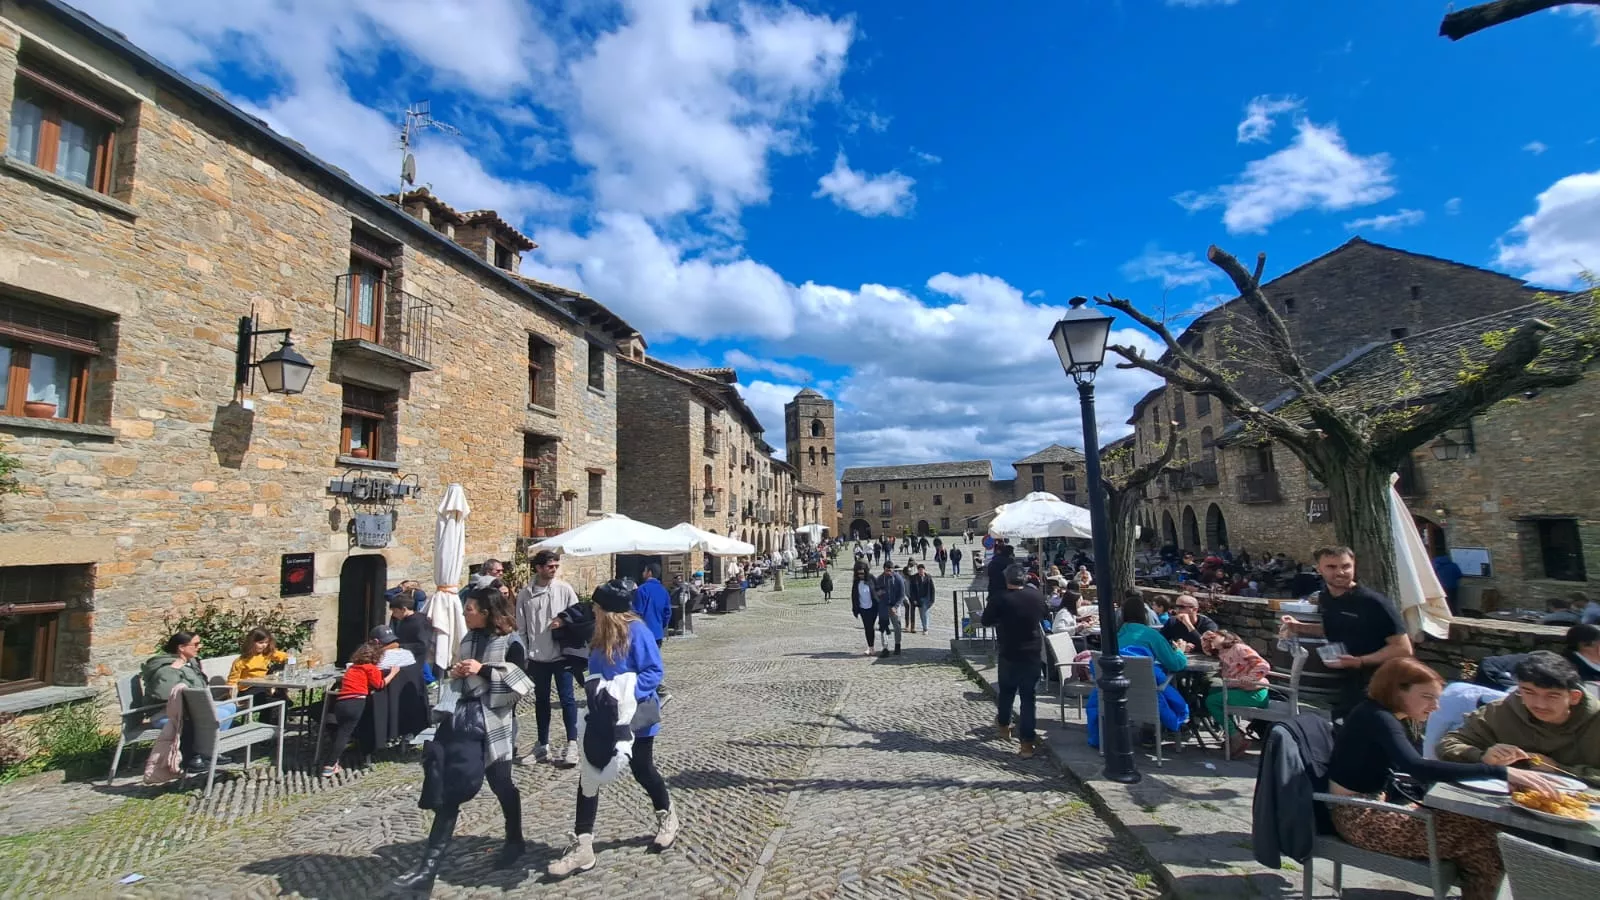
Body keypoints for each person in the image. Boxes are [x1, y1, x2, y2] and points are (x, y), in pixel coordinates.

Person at [1326, 657, 1559, 900]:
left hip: (1374, 807)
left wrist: (1488, 763)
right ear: (1396, 690)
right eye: (1428, 697)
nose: (1436, 707)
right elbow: (1418, 767)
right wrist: (1498, 771)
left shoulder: (1383, 714)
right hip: (1358, 818)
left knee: (1483, 850)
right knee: (1491, 834)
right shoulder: (1378, 718)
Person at [393, 586, 532, 891]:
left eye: (469, 608)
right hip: (463, 722)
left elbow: (521, 683)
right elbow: (460, 678)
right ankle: (427, 870)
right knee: (451, 789)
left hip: (495, 724)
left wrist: (483, 670)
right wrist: (457, 673)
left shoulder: (511, 642)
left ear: (487, 612)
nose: (465, 612)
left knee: (502, 784)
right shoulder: (468, 639)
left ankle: (515, 839)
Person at [548, 580, 678, 877]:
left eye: (596, 606)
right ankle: (583, 847)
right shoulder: (599, 634)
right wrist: (595, 688)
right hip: (605, 714)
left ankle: (667, 815)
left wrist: (624, 692)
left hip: (637, 716)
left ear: (608, 610)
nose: (593, 610)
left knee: (643, 770)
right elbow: (596, 671)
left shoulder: (638, 632)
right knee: (589, 775)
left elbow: (654, 671)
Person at [1279, 546, 1412, 720]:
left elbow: (1402, 648)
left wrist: (1360, 661)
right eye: (1331, 567)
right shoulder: (1326, 598)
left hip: (1382, 683)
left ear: (1354, 566)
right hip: (1350, 682)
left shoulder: (1373, 603)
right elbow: (1338, 629)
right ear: (1319, 569)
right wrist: (1299, 627)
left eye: (1346, 566)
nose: (1340, 572)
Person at [1436, 651, 1600, 785]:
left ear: (1574, 697)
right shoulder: (1500, 711)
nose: (1539, 704)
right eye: (1529, 692)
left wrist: (1559, 769)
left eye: (1552, 696)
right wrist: (1482, 756)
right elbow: (1448, 744)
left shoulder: (1595, 721)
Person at [515, 550, 583, 768]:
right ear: (539, 568)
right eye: (549, 566)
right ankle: (542, 745)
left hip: (561, 655)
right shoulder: (525, 594)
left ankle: (572, 743)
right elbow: (521, 626)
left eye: (556, 566)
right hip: (537, 657)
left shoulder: (564, 589)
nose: (553, 570)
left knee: (567, 699)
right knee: (541, 701)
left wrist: (564, 623)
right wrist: (525, 653)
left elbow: (578, 616)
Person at [980, 564, 1051, 759]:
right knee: (1028, 699)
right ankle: (1027, 745)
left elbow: (986, 620)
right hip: (1032, 653)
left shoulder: (1000, 599)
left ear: (1007, 579)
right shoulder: (1036, 596)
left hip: (1009, 652)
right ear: (1025, 579)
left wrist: (1001, 621)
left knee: (1007, 692)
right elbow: (1045, 613)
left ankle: (1004, 726)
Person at [142, 632, 233, 772]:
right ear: (181, 648)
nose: (199, 647)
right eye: (195, 644)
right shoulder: (167, 668)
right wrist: (173, 671)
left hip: (191, 709)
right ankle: (198, 753)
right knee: (220, 715)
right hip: (167, 714)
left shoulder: (190, 663)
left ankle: (211, 750)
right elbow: (164, 695)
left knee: (230, 707)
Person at [1199, 630, 1270, 758]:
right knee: (1212, 691)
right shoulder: (1222, 652)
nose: (1212, 638)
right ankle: (1234, 734)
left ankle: (1235, 736)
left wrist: (1251, 678)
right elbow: (1207, 651)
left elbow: (1263, 665)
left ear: (1226, 637)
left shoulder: (1239, 648)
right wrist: (1204, 638)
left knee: (1212, 701)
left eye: (1216, 635)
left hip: (1254, 692)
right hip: (1239, 689)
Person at [227, 627, 289, 726]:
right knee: (274, 699)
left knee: (277, 697)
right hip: (247, 690)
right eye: (260, 643)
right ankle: (269, 729)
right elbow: (232, 682)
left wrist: (287, 663)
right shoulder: (241, 661)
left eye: (266, 642)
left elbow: (285, 657)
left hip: (262, 687)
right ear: (251, 643)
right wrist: (233, 699)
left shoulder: (266, 655)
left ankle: (273, 728)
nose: (264, 645)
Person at [1117, 594, 1189, 672]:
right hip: (1146, 682)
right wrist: (1180, 651)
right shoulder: (1153, 636)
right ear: (1145, 614)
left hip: (1115, 681)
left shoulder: (1113, 637)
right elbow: (1175, 664)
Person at [388, 592, 432, 664]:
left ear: (404, 609)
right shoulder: (402, 620)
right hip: (404, 658)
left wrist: (400, 646)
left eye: (395, 611)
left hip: (418, 661)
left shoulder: (421, 622)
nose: (394, 614)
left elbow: (423, 646)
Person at [873, 560, 905, 657]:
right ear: (884, 569)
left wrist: (895, 607)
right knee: (883, 627)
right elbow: (875, 592)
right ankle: (885, 648)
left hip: (895, 606)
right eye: (887, 570)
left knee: (897, 627)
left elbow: (902, 595)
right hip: (883, 607)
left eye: (890, 570)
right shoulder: (879, 579)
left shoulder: (898, 578)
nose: (889, 572)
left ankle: (897, 645)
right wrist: (878, 594)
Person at [851, 564, 879, 656]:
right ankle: (870, 647)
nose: (860, 575)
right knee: (867, 627)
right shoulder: (856, 582)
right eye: (858, 574)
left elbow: (878, 588)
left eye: (862, 573)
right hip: (863, 608)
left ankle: (872, 647)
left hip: (873, 607)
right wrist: (855, 609)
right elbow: (854, 596)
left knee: (871, 626)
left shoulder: (871, 578)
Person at [909, 563, 936, 633]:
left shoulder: (928, 577)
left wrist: (932, 599)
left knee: (925, 612)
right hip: (919, 598)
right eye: (919, 570)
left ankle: (926, 628)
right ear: (918, 570)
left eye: (922, 569)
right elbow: (911, 590)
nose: (921, 571)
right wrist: (914, 599)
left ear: (924, 570)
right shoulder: (914, 578)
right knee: (922, 613)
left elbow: (932, 589)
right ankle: (925, 626)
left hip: (927, 598)